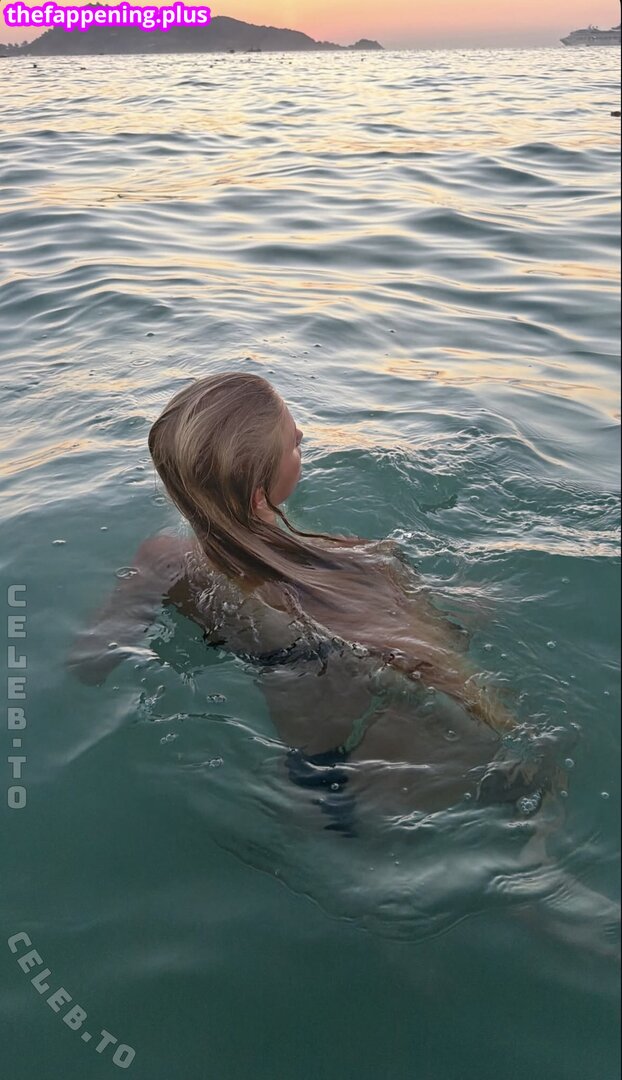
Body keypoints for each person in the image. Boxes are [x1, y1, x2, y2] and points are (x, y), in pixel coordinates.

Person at [67, 372, 560, 833]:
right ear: (260, 498)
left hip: (307, 777)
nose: (302, 439)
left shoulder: (163, 561)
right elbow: (436, 665)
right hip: (383, 773)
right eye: (295, 444)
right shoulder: (358, 566)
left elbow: (89, 664)